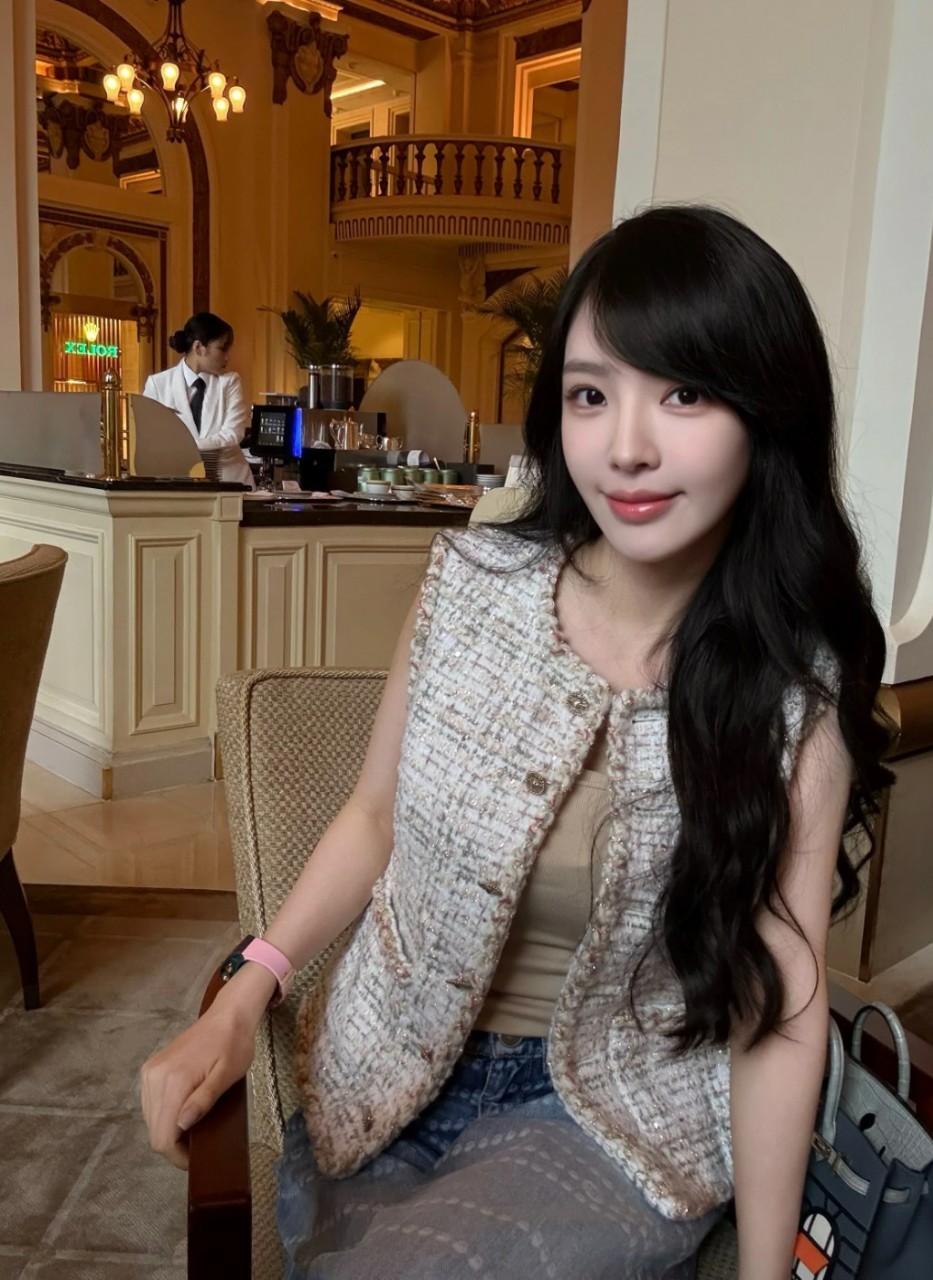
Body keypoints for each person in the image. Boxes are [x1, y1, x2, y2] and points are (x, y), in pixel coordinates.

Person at [141, 206, 893, 1279]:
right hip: (381, 1069)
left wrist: (765, 1273)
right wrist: (246, 989)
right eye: (591, 394)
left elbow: (780, 1005)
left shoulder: (788, 694)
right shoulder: (468, 588)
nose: (625, 447)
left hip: (610, 1121)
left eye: (683, 393)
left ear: (765, 414)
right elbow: (372, 818)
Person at [143, 312, 254, 487]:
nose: (227, 357)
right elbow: (151, 437)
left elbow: (233, 434)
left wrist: (184, 447)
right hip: (179, 481)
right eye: (222, 349)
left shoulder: (230, 381)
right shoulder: (158, 384)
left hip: (229, 481)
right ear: (198, 348)